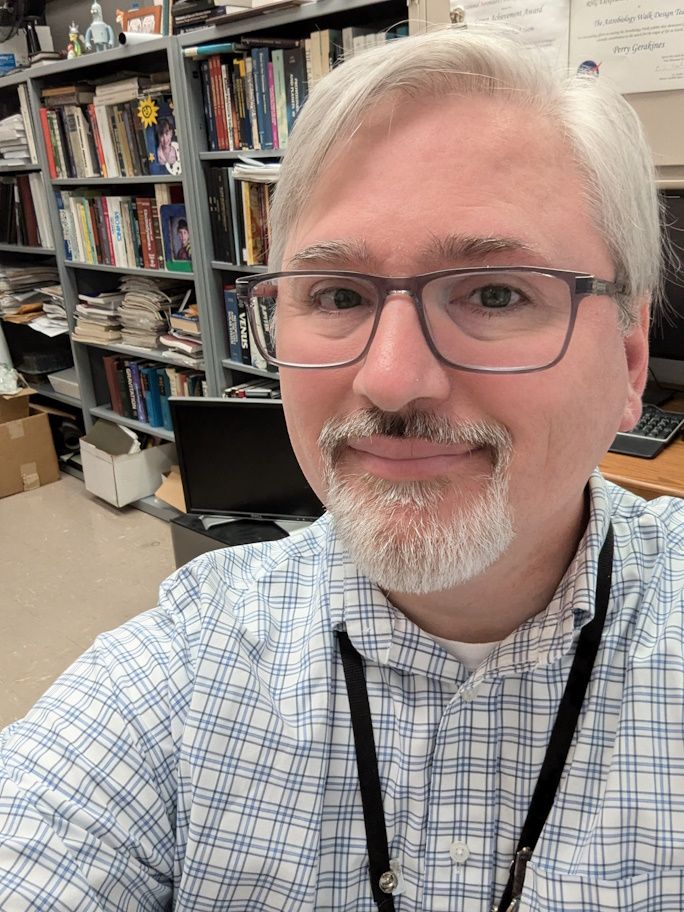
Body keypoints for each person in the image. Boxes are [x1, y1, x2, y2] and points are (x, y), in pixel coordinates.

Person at [2, 24, 684, 912]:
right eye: (337, 296)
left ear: (630, 360)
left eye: (495, 292)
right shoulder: (186, 673)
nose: (392, 378)